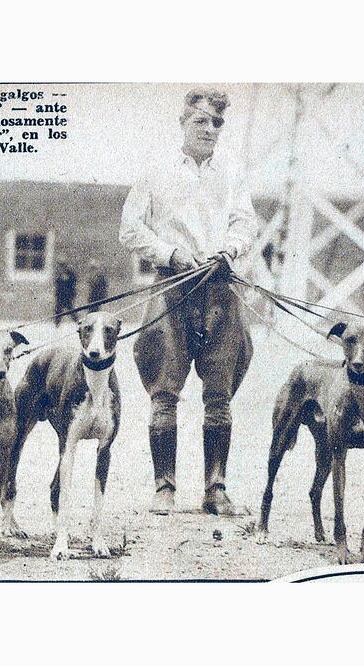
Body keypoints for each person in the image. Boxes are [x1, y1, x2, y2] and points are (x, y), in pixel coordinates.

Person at [120, 88, 259, 515]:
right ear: (183, 123)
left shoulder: (232, 174)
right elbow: (129, 229)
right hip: (173, 287)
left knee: (219, 395)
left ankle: (216, 488)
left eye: (217, 123)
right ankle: (165, 487)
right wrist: (172, 254)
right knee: (165, 392)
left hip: (219, 289)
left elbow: (246, 223)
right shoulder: (156, 172)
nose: (210, 130)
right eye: (201, 121)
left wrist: (229, 251)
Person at [53, 258, 77, 324]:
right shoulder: (59, 273)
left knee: (70, 309)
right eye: (60, 265)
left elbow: (73, 282)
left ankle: (77, 321)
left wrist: (66, 280)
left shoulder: (70, 272)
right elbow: (57, 283)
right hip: (60, 295)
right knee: (58, 310)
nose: (61, 267)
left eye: (62, 265)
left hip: (68, 295)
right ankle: (57, 324)